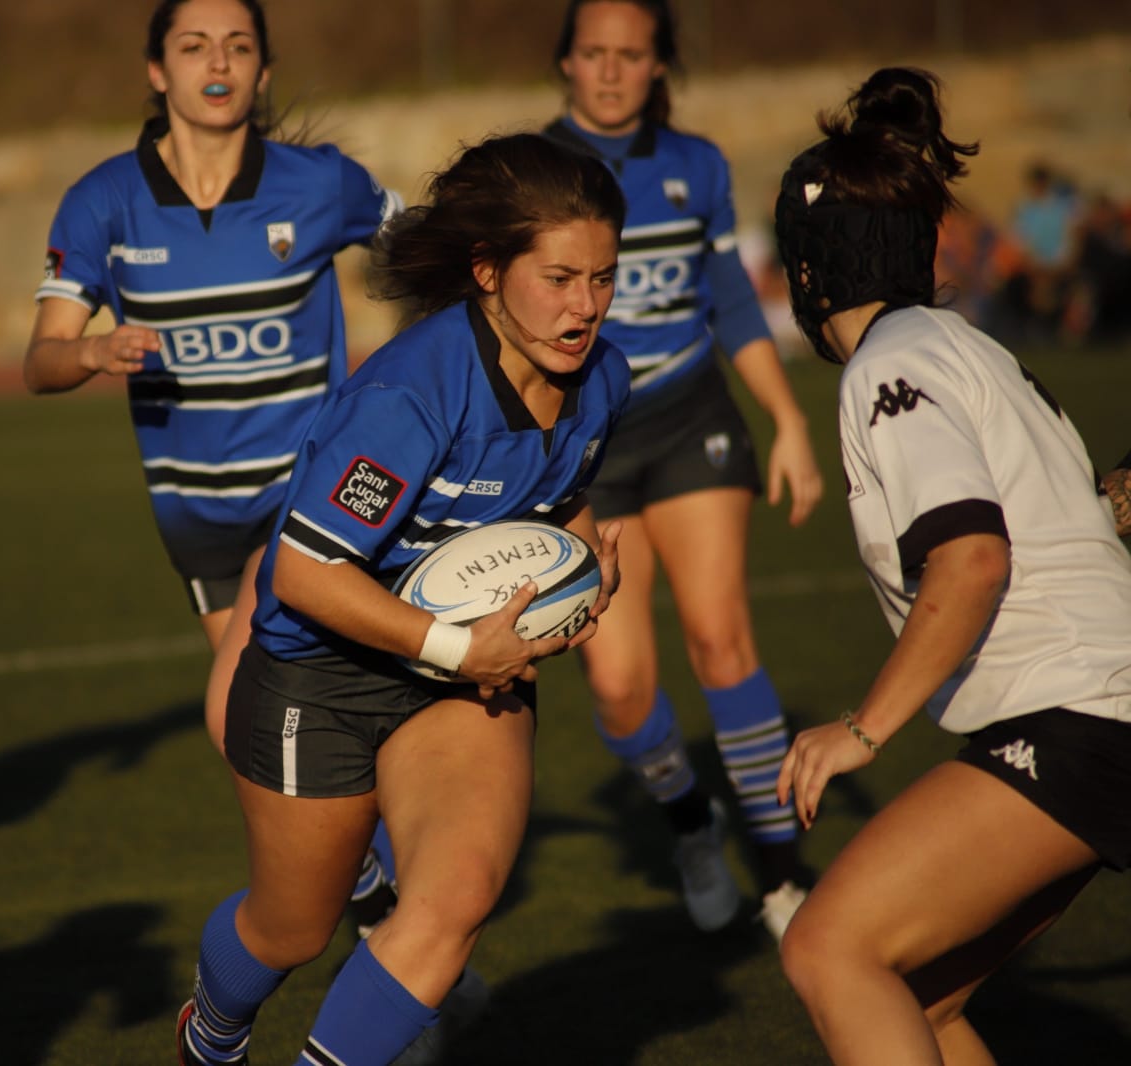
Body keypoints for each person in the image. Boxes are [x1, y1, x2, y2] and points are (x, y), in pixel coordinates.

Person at [176, 132, 629, 1066]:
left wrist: (582, 565)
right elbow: (304, 573)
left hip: (460, 685)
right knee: (291, 931)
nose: (585, 307)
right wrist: (464, 648)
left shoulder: (601, 378)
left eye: (603, 277)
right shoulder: (408, 398)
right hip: (320, 677)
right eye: (559, 279)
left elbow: (553, 491)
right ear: (489, 271)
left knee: (455, 895)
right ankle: (212, 1034)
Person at [772, 67, 1131, 1065]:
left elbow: (970, 559)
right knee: (919, 998)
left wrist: (860, 729)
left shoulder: (889, 363)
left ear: (807, 272)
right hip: (1097, 710)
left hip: (1075, 713)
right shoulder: (953, 344)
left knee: (830, 947)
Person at [22, 0, 404, 930]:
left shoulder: (320, 185)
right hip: (194, 516)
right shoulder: (105, 200)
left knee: (231, 706)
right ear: (158, 70)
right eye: (194, 47)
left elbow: (426, 246)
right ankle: (398, 919)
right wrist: (96, 354)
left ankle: (395, 929)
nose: (217, 63)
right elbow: (41, 358)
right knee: (292, 738)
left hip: (307, 501)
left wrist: (415, 365)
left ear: (264, 70)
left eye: (238, 46)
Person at [543, 0, 824, 939]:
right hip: (584, 443)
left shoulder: (696, 165)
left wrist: (786, 422)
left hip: (692, 417)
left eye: (633, 54)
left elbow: (732, 302)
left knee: (720, 638)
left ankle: (784, 878)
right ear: (568, 63)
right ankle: (690, 820)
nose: (613, 71)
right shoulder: (533, 172)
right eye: (595, 53)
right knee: (620, 685)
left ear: (659, 65)